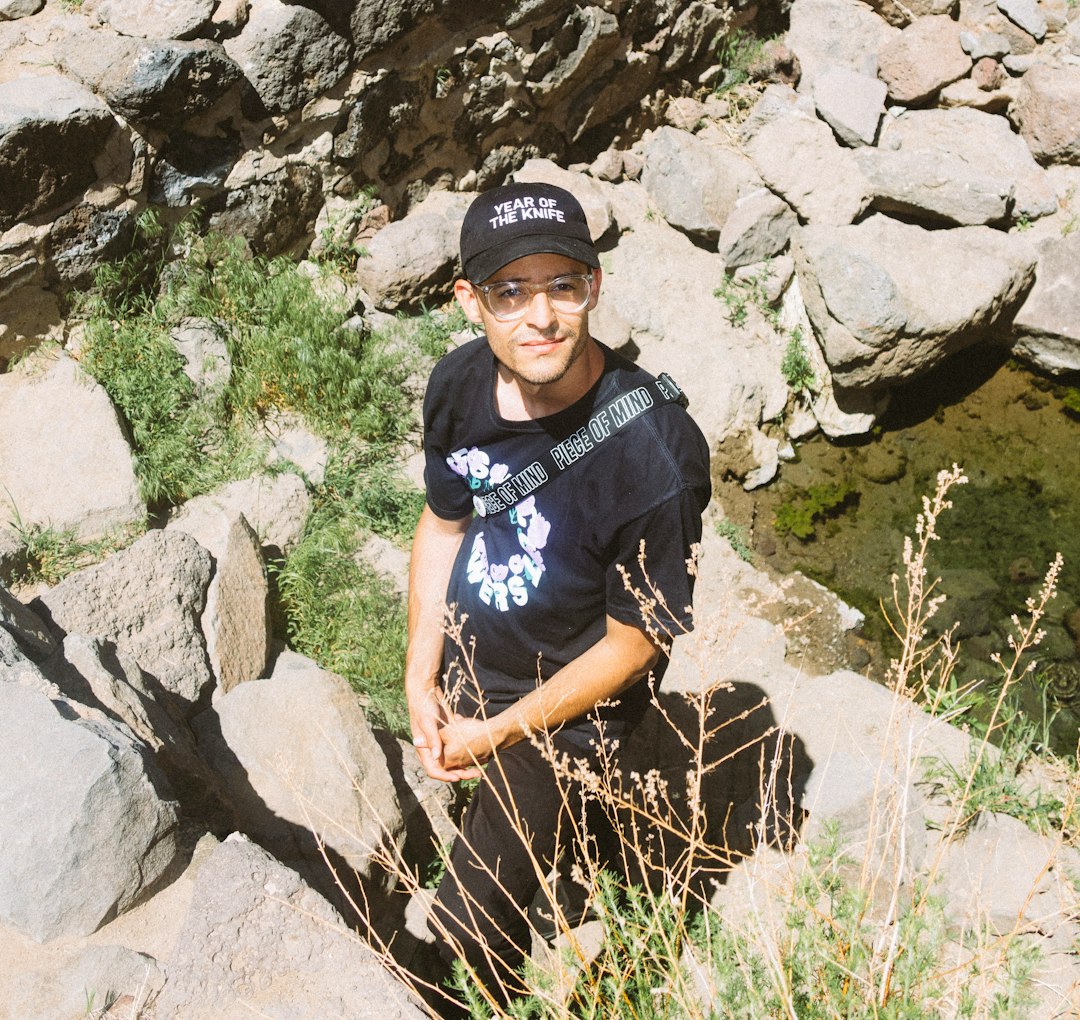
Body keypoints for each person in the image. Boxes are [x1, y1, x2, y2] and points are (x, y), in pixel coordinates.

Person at [404, 180, 711, 1007]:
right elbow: (443, 525)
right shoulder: (459, 384)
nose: (539, 316)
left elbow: (636, 643)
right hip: (477, 658)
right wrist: (420, 672)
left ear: (593, 289)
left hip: (574, 706)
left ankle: (497, 991)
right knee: (504, 846)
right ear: (471, 302)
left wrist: (498, 732)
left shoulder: (655, 459)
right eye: (510, 291)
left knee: (465, 926)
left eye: (561, 286)